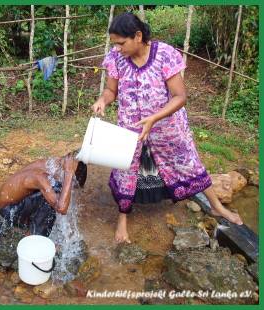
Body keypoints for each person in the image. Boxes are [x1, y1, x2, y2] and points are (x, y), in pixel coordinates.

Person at [91, 12, 243, 244]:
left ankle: (217, 206)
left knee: (188, 162)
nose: (118, 48)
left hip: (168, 128)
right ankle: (122, 219)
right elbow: (111, 91)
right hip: (131, 128)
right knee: (126, 168)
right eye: (115, 44)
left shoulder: (164, 54)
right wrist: (103, 100)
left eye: (121, 43)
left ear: (138, 36)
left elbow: (180, 96)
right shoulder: (116, 58)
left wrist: (153, 118)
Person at [0, 152, 87, 237]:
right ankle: (35, 237)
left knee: (55, 192)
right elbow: (61, 208)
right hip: (9, 211)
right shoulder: (41, 177)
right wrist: (69, 173)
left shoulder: (48, 165)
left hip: (16, 203)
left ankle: (31, 226)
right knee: (52, 199)